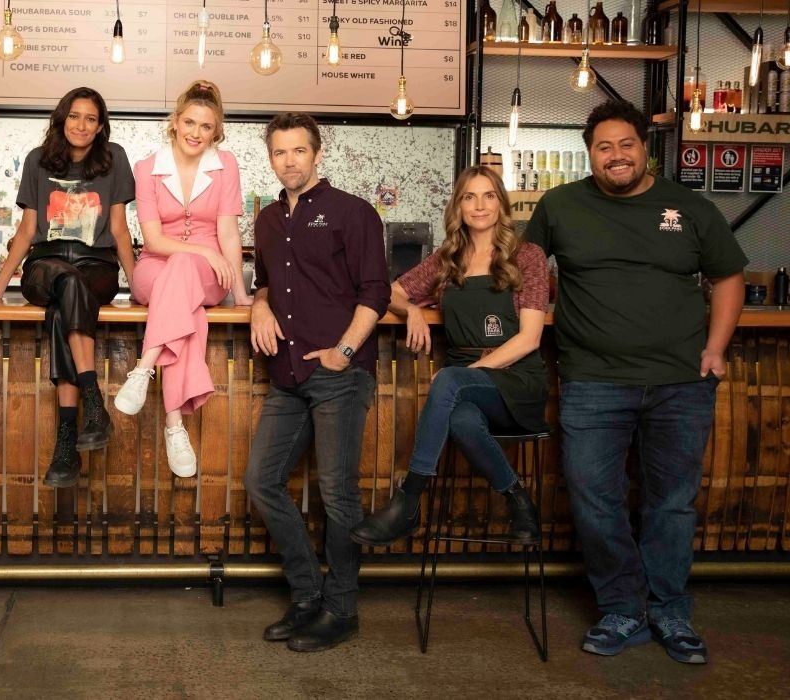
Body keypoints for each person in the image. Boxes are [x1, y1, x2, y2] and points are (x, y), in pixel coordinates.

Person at [526, 100, 746, 665]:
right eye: (604, 146)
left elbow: (727, 277)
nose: (616, 155)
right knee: (595, 499)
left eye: (626, 144)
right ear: (589, 153)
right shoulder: (560, 205)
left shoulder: (689, 207)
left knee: (671, 503)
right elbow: (521, 268)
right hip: (592, 382)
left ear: (645, 147)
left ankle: (669, 610)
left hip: (680, 382)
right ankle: (623, 607)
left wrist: (716, 349)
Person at [245, 113, 388, 652]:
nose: (290, 161)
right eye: (280, 153)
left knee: (337, 494)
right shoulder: (265, 220)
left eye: (299, 151)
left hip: (338, 375)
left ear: (317, 153)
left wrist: (343, 352)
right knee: (261, 481)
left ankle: (341, 608)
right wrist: (259, 306)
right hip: (286, 375)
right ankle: (308, 595)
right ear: (272, 157)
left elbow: (375, 292)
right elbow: (265, 283)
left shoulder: (352, 213)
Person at [349, 165, 546, 547]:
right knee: (463, 422)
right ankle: (520, 502)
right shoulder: (448, 257)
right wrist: (415, 310)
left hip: (517, 380)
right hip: (464, 384)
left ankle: (408, 501)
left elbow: (530, 339)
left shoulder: (527, 256)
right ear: (458, 206)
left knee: (451, 383)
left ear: (502, 205)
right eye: (469, 197)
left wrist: (463, 375)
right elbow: (392, 292)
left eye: (489, 196)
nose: (479, 205)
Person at [0, 87, 136, 488]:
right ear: (61, 119)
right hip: (45, 263)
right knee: (65, 283)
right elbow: (28, 230)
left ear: (101, 126)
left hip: (96, 264)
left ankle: (67, 441)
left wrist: (139, 286)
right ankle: (93, 401)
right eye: (74, 116)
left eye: (90, 118)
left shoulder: (114, 158)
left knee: (62, 308)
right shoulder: (38, 161)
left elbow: (120, 230)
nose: (81, 125)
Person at [113, 80, 252, 478]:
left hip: (209, 275)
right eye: (189, 122)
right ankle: (174, 426)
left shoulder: (226, 165)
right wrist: (203, 250)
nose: (195, 132)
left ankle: (144, 371)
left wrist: (240, 294)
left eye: (205, 127)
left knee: (185, 278)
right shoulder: (146, 168)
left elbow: (227, 233)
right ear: (174, 122)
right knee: (185, 304)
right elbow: (154, 239)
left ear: (216, 131)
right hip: (155, 269)